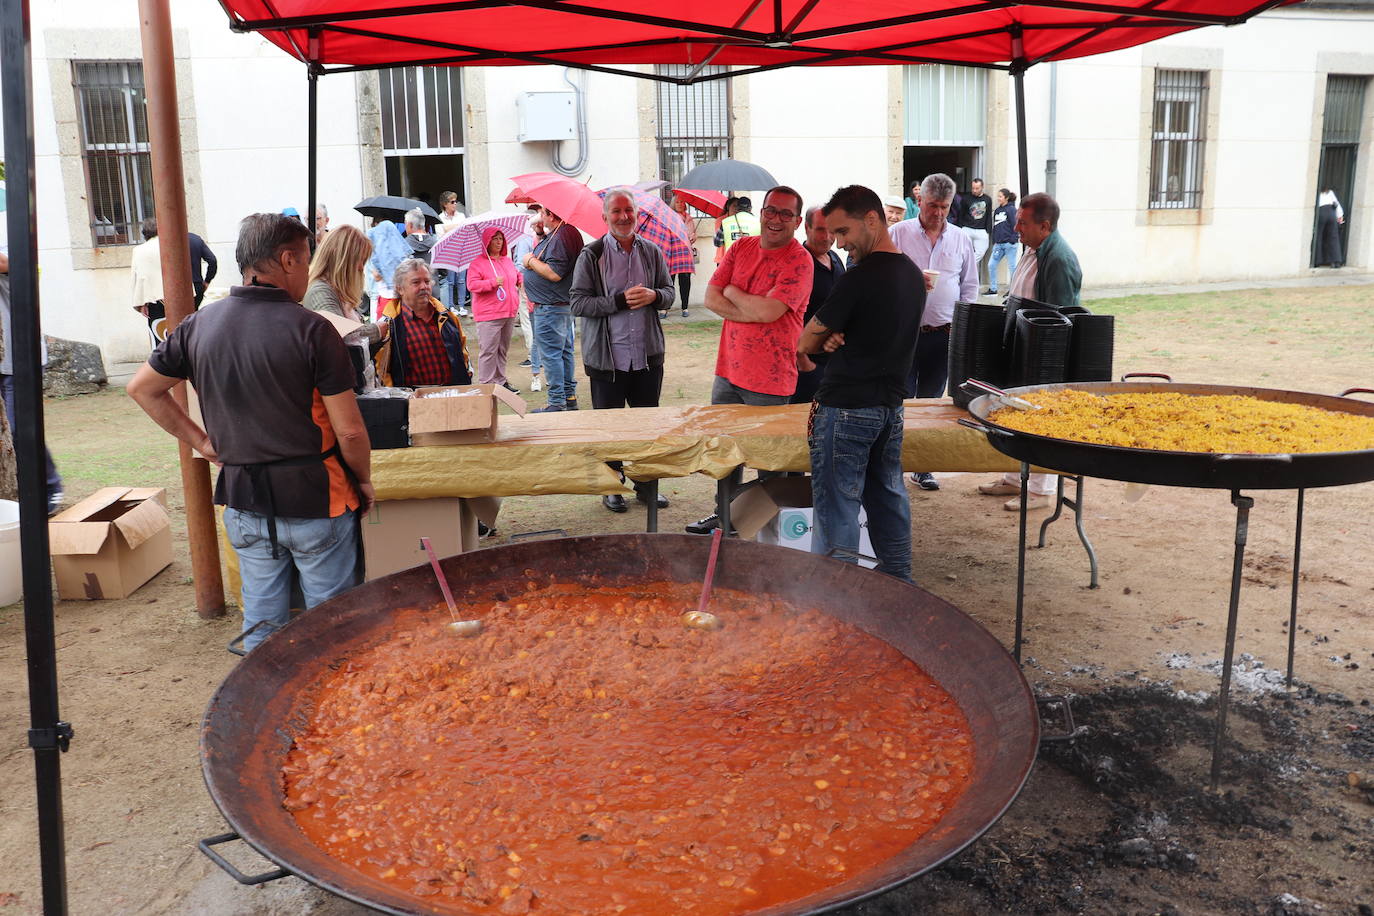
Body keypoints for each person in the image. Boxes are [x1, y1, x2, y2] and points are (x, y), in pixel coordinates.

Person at [126, 213, 373, 653]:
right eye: (305, 258)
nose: (309, 269)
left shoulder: (199, 325)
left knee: (262, 629)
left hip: (244, 498)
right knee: (332, 629)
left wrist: (202, 442)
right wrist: (365, 481)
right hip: (317, 496)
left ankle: (260, 710)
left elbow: (142, 388)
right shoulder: (314, 329)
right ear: (286, 260)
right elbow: (350, 431)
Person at [797, 185, 923, 582]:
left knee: (837, 507)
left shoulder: (860, 277)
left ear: (872, 219)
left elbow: (804, 341)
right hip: (889, 408)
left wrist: (825, 337)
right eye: (833, 235)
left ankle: (839, 603)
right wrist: (831, 337)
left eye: (843, 232)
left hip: (847, 407)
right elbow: (867, 331)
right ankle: (900, 584)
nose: (840, 243)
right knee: (888, 497)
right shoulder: (913, 275)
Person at [686, 186, 812, 534]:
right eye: (771, 210)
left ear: (797, 222)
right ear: (761, 213)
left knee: (771, 463)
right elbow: (711, 296)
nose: (776, 219)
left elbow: (771, 311)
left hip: (770, 381)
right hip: (728, 370)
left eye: (786, 214)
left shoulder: (799, 261)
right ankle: (724, 519)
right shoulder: (740, 247)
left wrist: (734, 293)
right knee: (725, 454)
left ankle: (773, 532)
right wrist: (751, 309)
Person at [570, 187, 676, 513]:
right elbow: (577, 302)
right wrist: (617, 301)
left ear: (636, 213)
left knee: (647, 426)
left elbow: (670, 293)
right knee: (610, 427)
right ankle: (612, 486)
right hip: (608, 359)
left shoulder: (652, 253)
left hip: (646, 356)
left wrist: (655, 297)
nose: (623, 216)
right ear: (605, 218)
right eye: (615, 212)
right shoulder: (592, 255)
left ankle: (646, 486)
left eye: (628, 210)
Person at [978, 191, 1082, 510]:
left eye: (1023, 223)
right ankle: (1013, 477)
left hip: (1042, 353)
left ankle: (1039, 490)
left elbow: (1060, 317)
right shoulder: (1033, 248)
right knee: (1013, 410)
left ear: (1045, 226)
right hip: (1022, 344)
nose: (1016, 228)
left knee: (1038, 415)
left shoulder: (1058, 258)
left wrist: (1043, 360)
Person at [889, 172, 978, 491]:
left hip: (943, 335)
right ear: (918, 201)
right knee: (899, 399)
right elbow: (883, 278)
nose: (938, 213)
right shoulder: (898, 234)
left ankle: (922, 466)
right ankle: (892, 464)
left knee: (931, 400)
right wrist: (912, 282)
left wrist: (963, 330)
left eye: (944, 206)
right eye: (932, 206)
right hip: (904, 333)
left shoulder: (960, 238)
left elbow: (969, 287)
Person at [0, 246, 64, 515]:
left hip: (18, 363)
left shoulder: (13, 269)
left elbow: (8, 261)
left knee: (20, 431)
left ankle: (50, 487)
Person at [304, 225, 382, 394]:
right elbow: (339, 337)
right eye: (359, 260)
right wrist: (377, 331)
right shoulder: (320, 292)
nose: (361, 268)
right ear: (343, 259)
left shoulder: (336, 292)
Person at [521, 205, 584, 412]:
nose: (539, 216)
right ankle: (568, 397)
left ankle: (557, 401)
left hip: (550, 307)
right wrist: (541, 233)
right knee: (563, 352)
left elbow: (554, 273)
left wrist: (529, 260)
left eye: (542, 212)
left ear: (550, 214)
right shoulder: (562, 233)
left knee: (551, 355)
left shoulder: (561, 236)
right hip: (558, 305)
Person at [375, 258, 473, 389]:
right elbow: (382, 371)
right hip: (413, 402)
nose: (424, 286)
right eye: (416, 282)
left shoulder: (447, 317)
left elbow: (463, 354)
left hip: (452, 396)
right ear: (400, 289)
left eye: (427, 281)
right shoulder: (389, 326)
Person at [791, 206, 845, 405]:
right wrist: (803, 361)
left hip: (834, 362)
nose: (828, 237)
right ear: (806, 227)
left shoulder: (835, 258)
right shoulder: (797, 264)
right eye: (821, 230)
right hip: (808, 363)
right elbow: (789, 317)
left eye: (832, 230)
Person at [466, 227, 522, 392]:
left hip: (509, 312)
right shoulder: (477, 263)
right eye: (495, 239)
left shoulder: (506, 260)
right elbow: (472, 285)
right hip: (489, 315)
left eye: (500, 239)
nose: (499, 242)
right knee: (489, 351)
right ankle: (487, 384)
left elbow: (515, 274)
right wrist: (491, 282)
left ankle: (500, 380)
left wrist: (519, 278)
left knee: (502, 350)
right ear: (487, 242)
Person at [510, 209, 543, 391]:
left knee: (532, 328)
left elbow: (520, 265)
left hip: (530, 291)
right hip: (536, 291)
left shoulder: (525, 239)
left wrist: (520, 284)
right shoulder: (541, 238)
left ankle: (534, 362)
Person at [434, 191, 470, 316]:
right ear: (445, 204)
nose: (455, 204)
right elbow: (440, 236)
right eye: (452, 202)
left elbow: (465, 231)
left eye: (455, 201)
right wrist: (458, 227)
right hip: (448, 252)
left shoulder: (461, 216)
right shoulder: (439, 218)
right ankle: (451, 306)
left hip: (461, 250)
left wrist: (449, 228)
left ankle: (461, 305)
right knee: (450, 281)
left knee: (461, 280)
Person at [366, 219, 409, 319]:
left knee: (385, 330)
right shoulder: (401, 250)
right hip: (402, 299)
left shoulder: (379, 252)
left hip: (386, 298)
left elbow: (376, 276)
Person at [955, 178, 993, 285]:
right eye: (973, 188)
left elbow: (989, 215)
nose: (974, 190)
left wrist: (988, 231)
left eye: (977, 188)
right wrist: (960, 228)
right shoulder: (966, 198)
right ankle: (967, 278)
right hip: (967, 228)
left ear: (982, 187)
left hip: (981, 230)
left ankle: (966, 267)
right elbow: (960, 214)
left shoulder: (987, 199)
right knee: (963, 252)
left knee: (981, 251)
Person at [986, 188, 1018, 296]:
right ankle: (993, 289)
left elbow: (1015, 225)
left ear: (1006, 198)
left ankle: (1013, 291)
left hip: (1009, 244)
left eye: (1000, 196)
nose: (998, 198)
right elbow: (995, 227)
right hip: (998, 244)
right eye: (998, 196)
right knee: (991, 265)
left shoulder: (1012, 210)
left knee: (1012, 267)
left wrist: (1013, 240)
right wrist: (994, 240)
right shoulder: (997, 211)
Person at [668, 194, 696, 318]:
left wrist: (693, 236)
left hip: (686, 254)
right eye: (678, 202)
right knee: (669, 281)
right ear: (673, 204)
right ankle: (665, 308)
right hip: (673, 252)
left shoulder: (689, 218)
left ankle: (685, 307)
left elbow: (692, 234)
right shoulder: (669, 217)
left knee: (685, 281)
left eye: (683, 202)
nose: (680, 204)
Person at [1315, 187, 1344, 268]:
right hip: (1331, 211)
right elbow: (1336, 203)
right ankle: (1336, 261)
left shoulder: (1316, 191)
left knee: (1319, 236)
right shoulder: (1329, 192)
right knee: (1333, 237)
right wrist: (1340, 215)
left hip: (1321, 211)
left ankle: (1317, 261)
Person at [188, 229, 217, 308]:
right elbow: (212, 260)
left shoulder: (163, 241)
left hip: (174, 288)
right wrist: (207, 281)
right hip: (196, 285)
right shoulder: (196, 239)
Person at [712, 196, 739, 266]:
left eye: (738, 206)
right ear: (728, 207)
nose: (737, 208)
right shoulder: (720, 220)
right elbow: (719, 239)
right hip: (722, 257)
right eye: (734, 206)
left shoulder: (740, 220)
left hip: (737, 258)